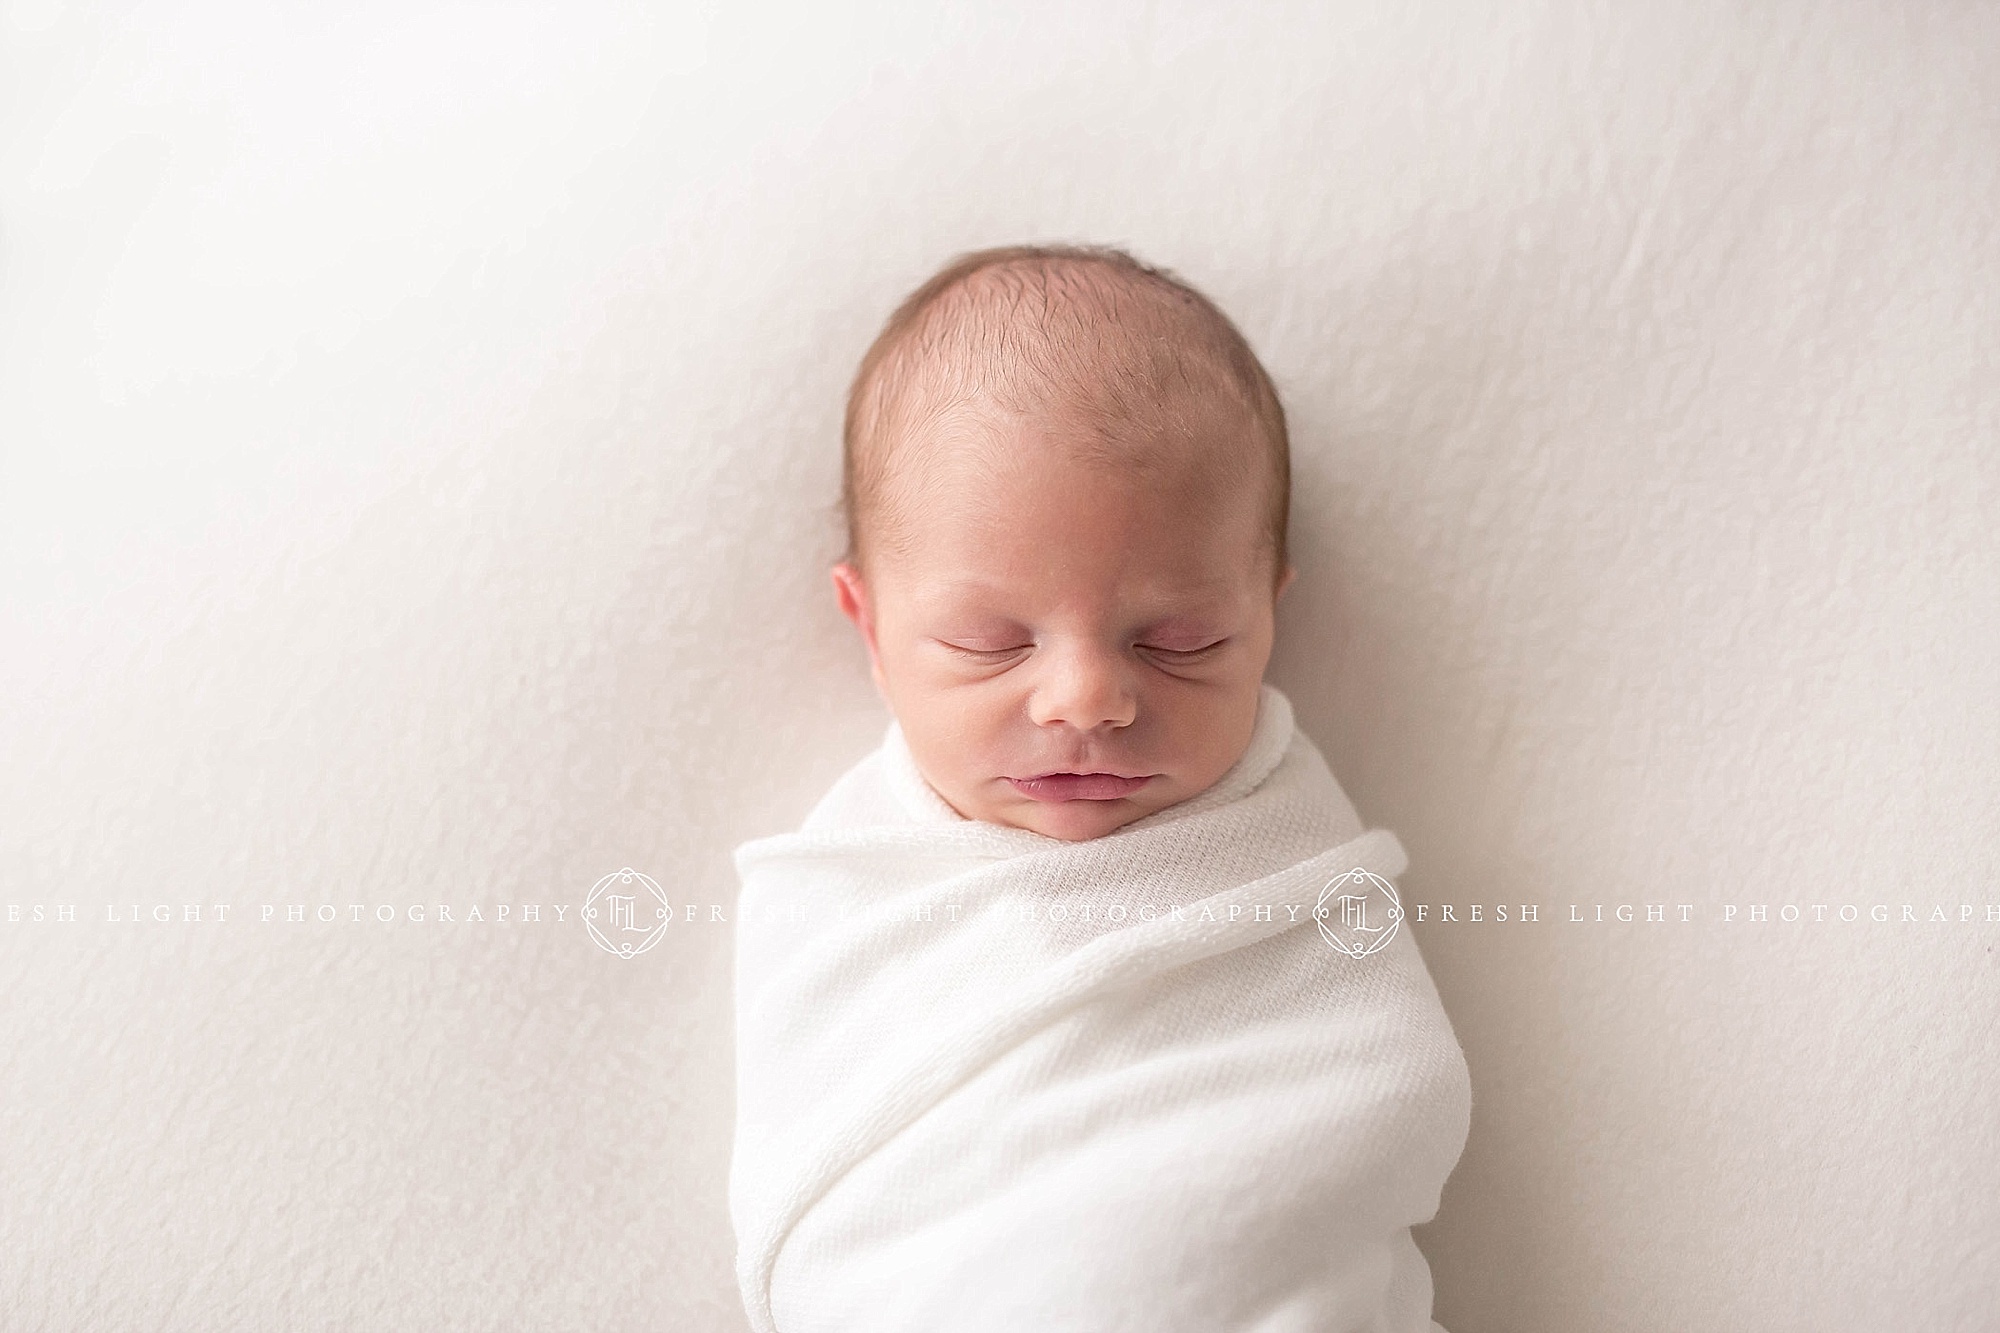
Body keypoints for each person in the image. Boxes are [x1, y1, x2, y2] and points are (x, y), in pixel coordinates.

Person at [730, 245, 1472, 1333]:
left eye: (1178, 641)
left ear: (1267, 613)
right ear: (870, 629)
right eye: (988, 644)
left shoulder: (1286, 850)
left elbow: (1372, 1090)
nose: (1084, 698)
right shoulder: (842, 889)